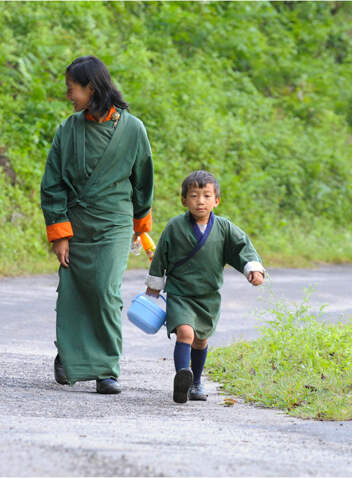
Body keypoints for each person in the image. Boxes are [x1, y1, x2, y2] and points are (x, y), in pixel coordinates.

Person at [41, 56, 154, 394]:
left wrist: (140, 224)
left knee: (105, 290)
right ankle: (71, 356)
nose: (68, 96)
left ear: (91, 88)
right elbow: (53, 183)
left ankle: (107, 368)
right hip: (76, 224)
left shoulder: (132, 129)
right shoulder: (68, 129)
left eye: (71, 89)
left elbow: (143, 180)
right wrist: (59, 232)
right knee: (73, 292)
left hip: (114, 223)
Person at [144, 170, 264, 403]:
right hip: (180, 294)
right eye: (194, 195)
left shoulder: (224, 228)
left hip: (208, 296)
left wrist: (253, 269)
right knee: (186, 333)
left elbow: (242, 248)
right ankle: (181, 377)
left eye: (207, 196)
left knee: (201, 340)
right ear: (184, 200)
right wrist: (155, 284)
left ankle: (195, 382)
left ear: (216, 201)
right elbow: (161, 255)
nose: (200, 201)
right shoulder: (174, 227)